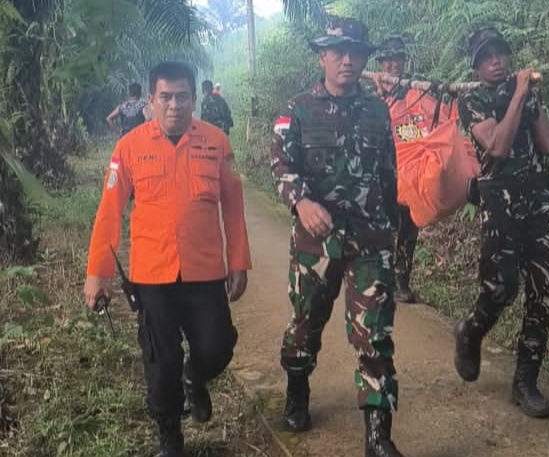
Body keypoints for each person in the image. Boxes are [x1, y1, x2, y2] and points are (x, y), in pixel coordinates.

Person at [84, 61, 252, 457]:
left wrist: (238, 261)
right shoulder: (129, 147)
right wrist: (97, 274)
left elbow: (233, 206)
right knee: (161, 361)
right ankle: (170, 439)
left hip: (204, 270)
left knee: (217, 347)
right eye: (166, 97)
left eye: (182, 97)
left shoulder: (216, 143)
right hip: (152, 274)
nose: (175, 105)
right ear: (151, 100)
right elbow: (109, 212)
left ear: (194, 99)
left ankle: (195, 376)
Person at [271, 16, 409, 457]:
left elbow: (388, 175)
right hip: (317, 242)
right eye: (338, 52)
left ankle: (378, 436)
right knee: (305, 325)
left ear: (364, 59)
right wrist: (301, 202)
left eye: (355, 52)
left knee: (375, 334)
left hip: (370, 241)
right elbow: (280, 165)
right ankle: (297, 388)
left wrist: (394, 233)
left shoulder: (377, 112)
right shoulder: (297, 109)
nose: (347, 60)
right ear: (323, 57)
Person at [455, 27, 549, 419]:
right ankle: (470, 331)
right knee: (502, 287)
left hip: (537, 199)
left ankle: (525, 382)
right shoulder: (472, 99)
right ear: (476, 65)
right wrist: (516, 97)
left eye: (500, 53)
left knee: (547, 288)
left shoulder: (524, 94)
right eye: (487, 56)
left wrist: (531, 100)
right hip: (499, 200)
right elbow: (497, 146)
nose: (496, 61)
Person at [371, 36, 423, 304]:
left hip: (410, 171)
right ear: (381, 63)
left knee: (409, 228)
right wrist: (382, 94)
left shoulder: (415, 91)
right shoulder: (371, 93)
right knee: (383, 227)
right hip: (382, 174)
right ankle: (380, 277)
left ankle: (402, 281)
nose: (393, 65)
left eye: (398, 59)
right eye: (388, 60)